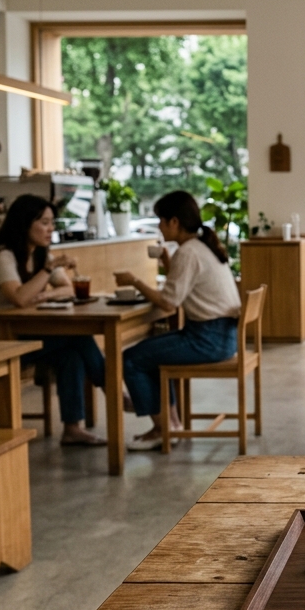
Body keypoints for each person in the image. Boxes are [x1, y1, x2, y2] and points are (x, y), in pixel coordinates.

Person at [0, 194, 106, 446]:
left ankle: (72, 428)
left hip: (23, 332)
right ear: (25, 223)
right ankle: (110, 387)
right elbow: (20, 299)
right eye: (44, 222)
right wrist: (46, 273)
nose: (50, 229)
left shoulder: (41, 253)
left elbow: (67, 288)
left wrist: (44, 292)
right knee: (78, 337)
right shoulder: (3, 256)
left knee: (72, 354)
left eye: (52, 223)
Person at [115, 191, 242, 452]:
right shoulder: (200, 246)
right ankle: (169, 424)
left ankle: (164, 429)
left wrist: (134, 281)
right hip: (222, 336)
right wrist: (167, 261)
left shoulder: (189, 252)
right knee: (154, 353)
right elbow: (182, 287)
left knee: (131, 359)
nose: (159, 227)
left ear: (174, 221)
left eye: (161, 221)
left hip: (207, 339)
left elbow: (169, 303)